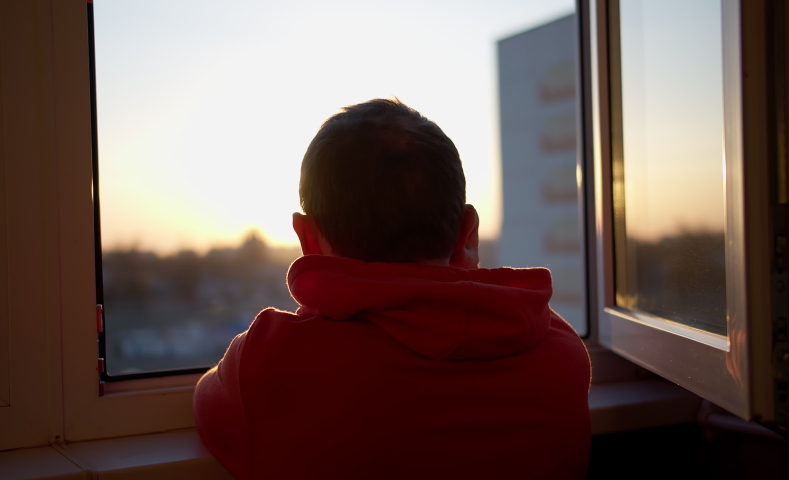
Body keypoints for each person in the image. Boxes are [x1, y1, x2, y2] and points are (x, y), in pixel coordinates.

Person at [194, 98, 591, 479]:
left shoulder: (270, 365)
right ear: (467, 232)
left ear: (307, 240)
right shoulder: (562, 353)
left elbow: (208, 407)